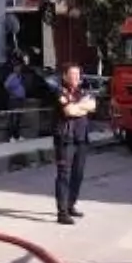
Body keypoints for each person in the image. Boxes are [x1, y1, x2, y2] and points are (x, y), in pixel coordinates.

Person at [53, 64, 96, 225]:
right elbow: (69, 111)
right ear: (65, 76)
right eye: (72, 75)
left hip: (81, 138)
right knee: (63, 175)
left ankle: (71, 205)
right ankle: (62, 212)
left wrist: (78, 107)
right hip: (65, 138)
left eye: (78, 75)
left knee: (78, 174)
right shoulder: (59, 91)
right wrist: (81, 107)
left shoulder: (84, 90)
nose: (76, 78)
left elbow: (92, 105)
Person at [4, 56, 27, 142]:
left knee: (18, 118)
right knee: (13, 118)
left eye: (20, 67)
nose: (19, 69)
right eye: (17, 67)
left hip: (20, 99)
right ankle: (11, 136)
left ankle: (17, 135)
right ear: (14, 68)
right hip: (14, 100)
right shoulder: (12, 76)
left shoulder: (20, 76)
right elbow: (6, 86)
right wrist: (12, 93)